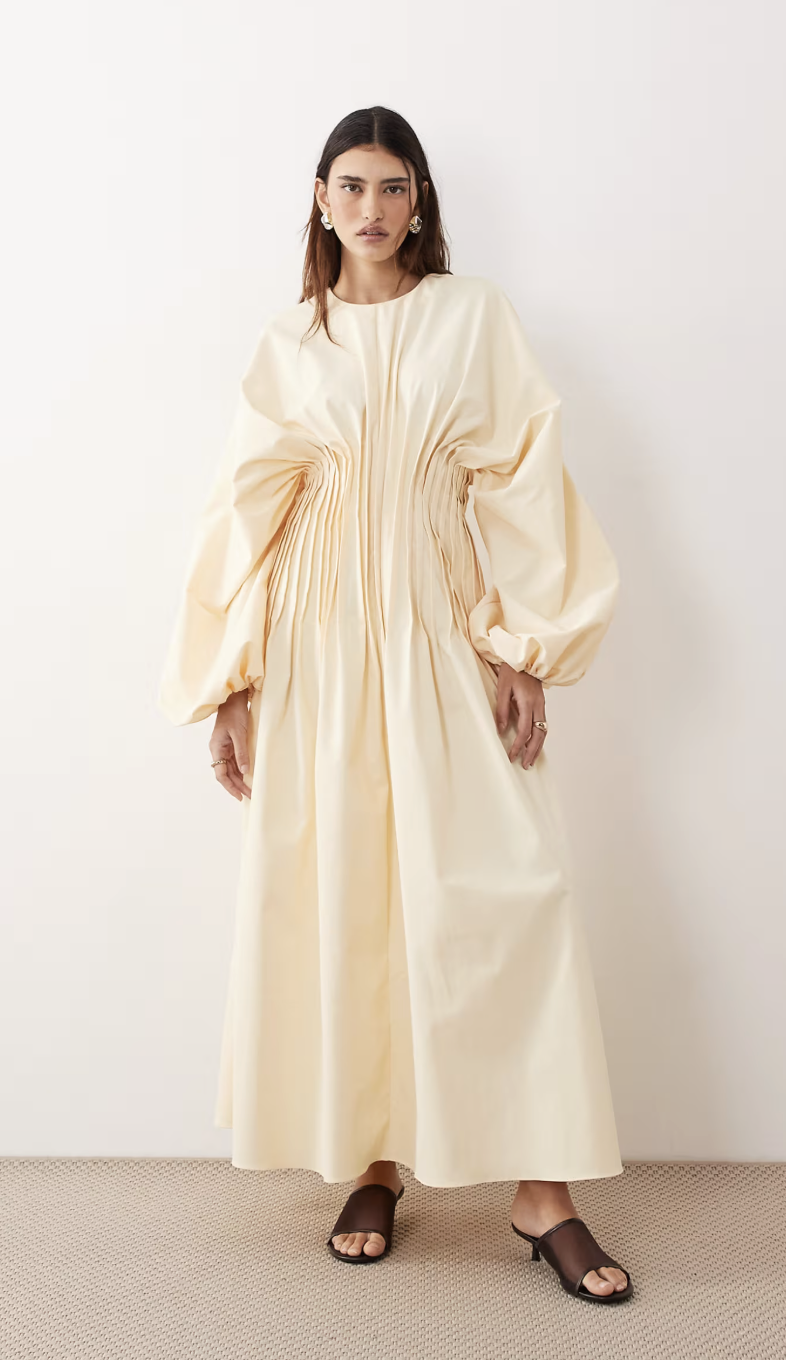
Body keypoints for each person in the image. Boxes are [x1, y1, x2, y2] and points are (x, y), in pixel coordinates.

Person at [158, 105, 632, 1304]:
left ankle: (542, 1191)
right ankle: (371, 1160)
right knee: (349, 897)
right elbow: (244, 514)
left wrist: (522, 648)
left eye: (394, 186)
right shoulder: (290, 341)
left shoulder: (472, 318)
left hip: (439, 634)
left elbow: (524, 473)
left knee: (510, 893)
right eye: (352, 185)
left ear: (419, 203)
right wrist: (231, 681)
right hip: (316, 650)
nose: (372, 208)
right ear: (320, 200)